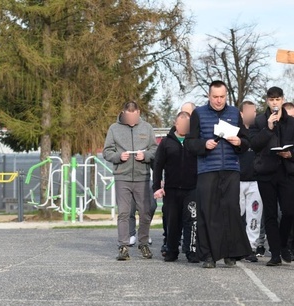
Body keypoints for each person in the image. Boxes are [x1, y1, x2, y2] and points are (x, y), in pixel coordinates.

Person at [185, 80, 252, 268]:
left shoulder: (233, 113)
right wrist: (203, 145)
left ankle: (231, 254)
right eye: (215, 97)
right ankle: (208, 256)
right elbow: (189, 143)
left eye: (222, 97)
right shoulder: (198, 114)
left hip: (231, 169)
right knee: (208, 212)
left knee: (231, 211)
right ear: (209, 96)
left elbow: (247, 141)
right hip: (207, 170)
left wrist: (239, 142)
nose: (219, 100)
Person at [250, 86, 294, 266]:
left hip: (287, 171)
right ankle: (276, 253)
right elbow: (254, 145)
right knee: (270, 214)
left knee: (288, 211)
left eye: (278, 99)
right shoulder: (259, 121)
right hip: (266, 173)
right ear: (267, 101)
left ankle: (283, 244)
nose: (274, 103)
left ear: (282, 100)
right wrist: (269, 129)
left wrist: (291, 155)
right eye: (271, 99)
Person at [103, 101, 158, 261]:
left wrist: (146, 156)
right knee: (124, 213)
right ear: (124, 113)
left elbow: (154, 149)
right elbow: (107, 152)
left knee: (145, 212)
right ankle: (123, 246)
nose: (132, 121)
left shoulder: (147, 128)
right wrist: (118, 157)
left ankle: (143, 243)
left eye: (135, 118)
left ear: (139, 113)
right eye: (129, 118)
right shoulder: (114, 128)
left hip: (142, 177)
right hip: (123, 177)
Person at [153, 111, 199, 263]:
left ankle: (191, 251)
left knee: (191, 221)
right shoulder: (166, 142)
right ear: (176, 124)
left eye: (187, 125)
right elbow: (158, 164)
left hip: (191, 189)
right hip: (171, 189)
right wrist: (156, 187)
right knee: (172, 221)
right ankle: (171, 250)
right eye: (182, 124)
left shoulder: (194, 141)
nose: (185, 127)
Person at [238, 101, 263, 263]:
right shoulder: (235, 131)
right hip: (238, 180)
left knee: (254, 215)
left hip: (255, 181)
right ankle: (235, 246)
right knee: (236, 214)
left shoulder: (259, 131)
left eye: (254, 111)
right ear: (241, 113)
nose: (252, 114)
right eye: (248, 111)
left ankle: (251, 247)